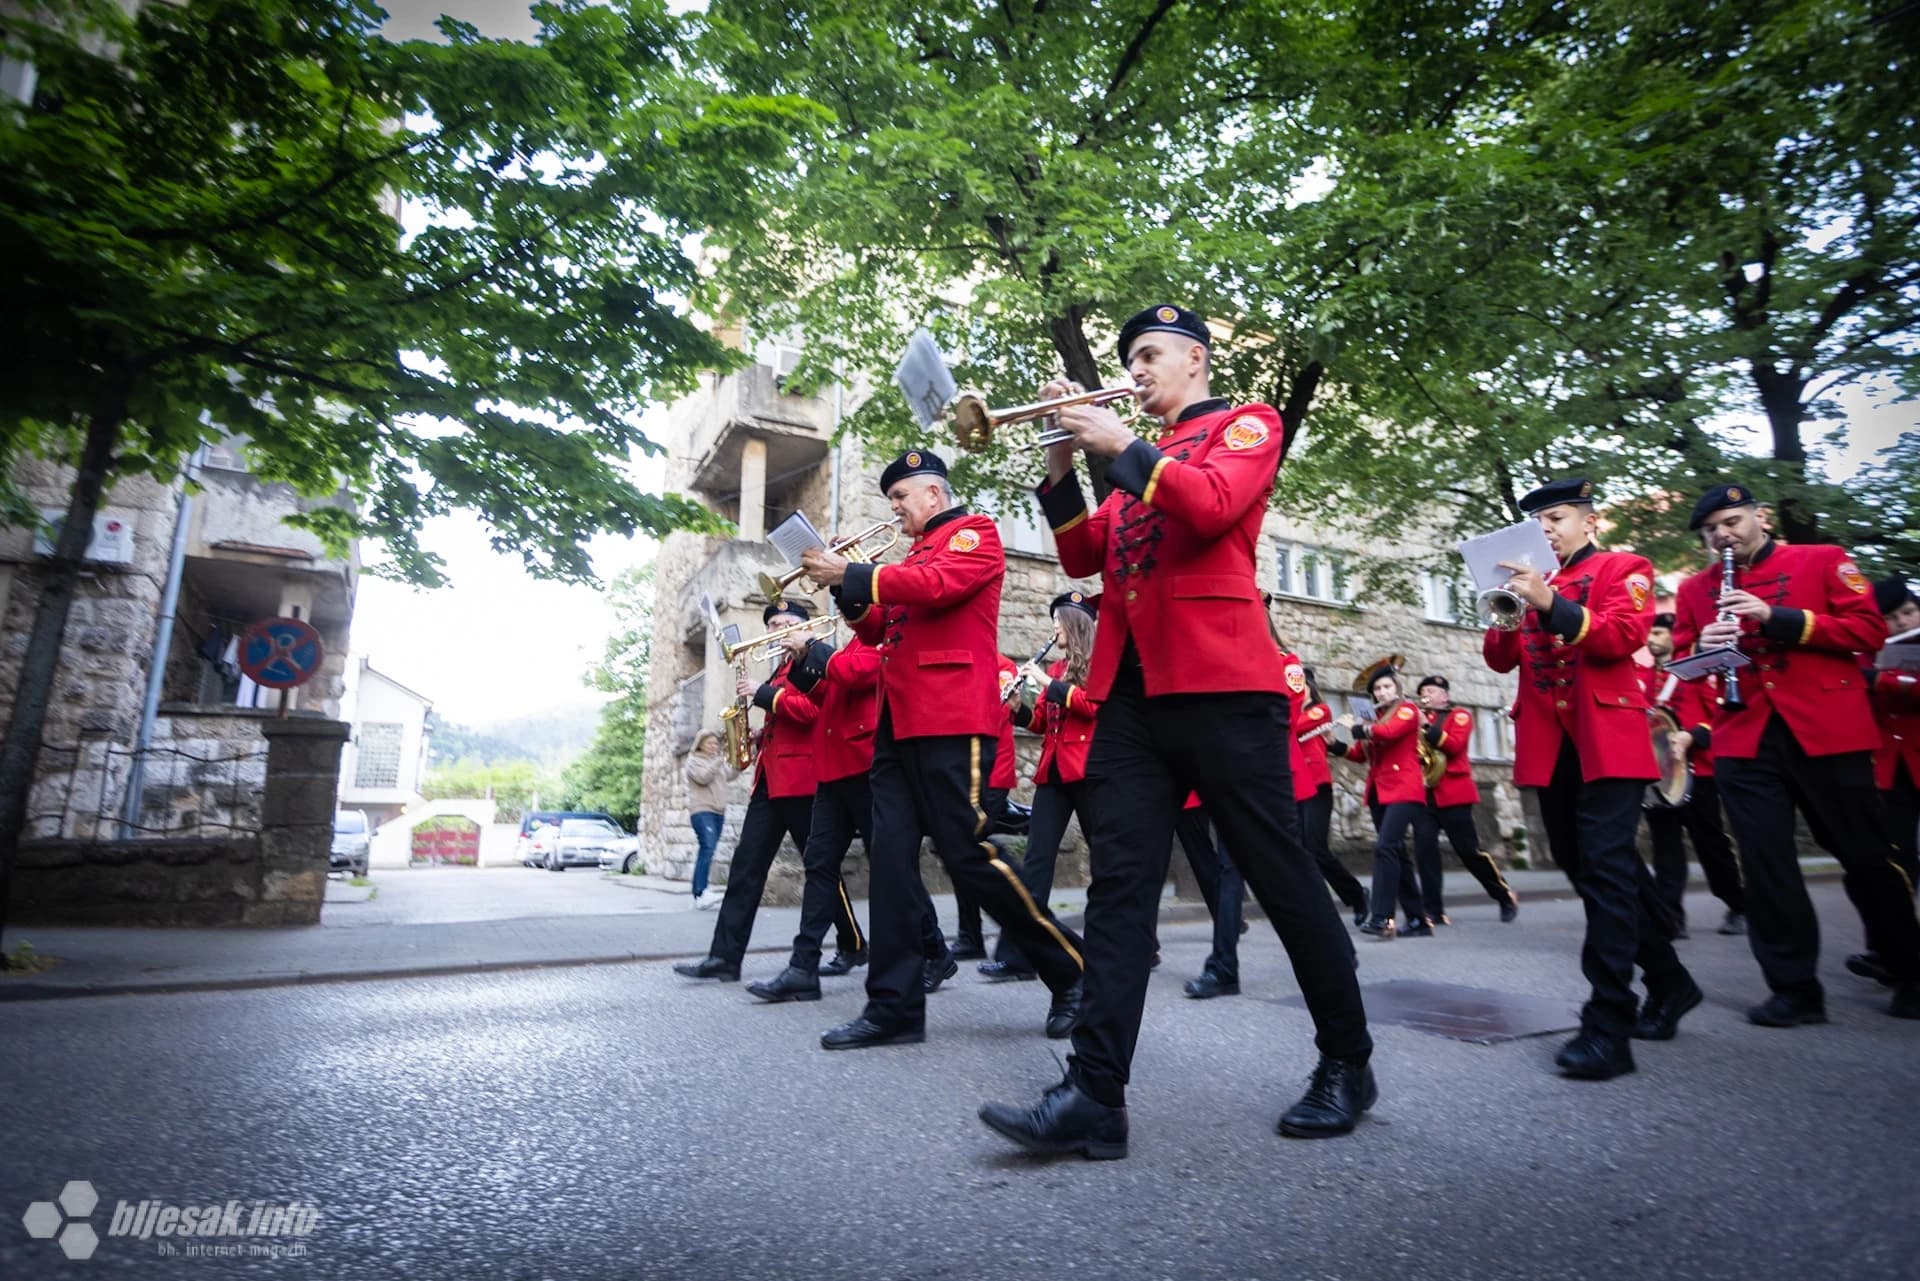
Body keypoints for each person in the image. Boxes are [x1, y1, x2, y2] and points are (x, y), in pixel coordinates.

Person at [980, 303, 1376, 1159]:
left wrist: (1118, 442)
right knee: (1120, 888)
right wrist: (1060, 462)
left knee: (1282, 876)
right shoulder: (1139, 461)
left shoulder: (1245, 425)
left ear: (1196, 359)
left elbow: (1210, 504)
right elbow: (1084, 557)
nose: (1137, 367)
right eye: (1130, 357)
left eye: (1151, 353)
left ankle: (1348, 1059)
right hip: (1131, 693)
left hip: (1225, 684)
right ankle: (1095, 1093)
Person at [801, 449, 1087, 1050]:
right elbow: (880, 627)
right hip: (898, 723)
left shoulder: (972, 533)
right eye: (891, 500)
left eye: (900, 497)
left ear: (933, 493)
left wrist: (853, 572)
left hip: (952, 719)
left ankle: (1071, 971)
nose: (895, 510)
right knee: (891, 863)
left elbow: (936, 587)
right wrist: (846, 590)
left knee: (967, 855)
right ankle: (894, 1008)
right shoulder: (913, 553)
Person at [1673, 485, 1918, 1022]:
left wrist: (1776, 616)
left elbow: (1867, 630)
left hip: (1827, 729)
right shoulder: (1694, 589)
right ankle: (1794, 988)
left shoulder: (1822, 560)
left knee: (1866, 854)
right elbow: (1684, 663)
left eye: (1732, 522)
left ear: (1759, 517)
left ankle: (1909, 968)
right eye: (1711, 530)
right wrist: (1704, 649)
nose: (1722, 535)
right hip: (1745, 736)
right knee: (1766, 863)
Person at [1485, 476, 1700, 1079]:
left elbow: (1622, 635)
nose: (1547, 530)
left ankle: (1608, 1022)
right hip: (1551, 743)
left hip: (1607, 739)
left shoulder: (1623, 568)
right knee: (1592, 870)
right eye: (1538, 523)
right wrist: (1507, 608)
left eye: (1556, 518)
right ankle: (1670, 981)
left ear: (1589, 521)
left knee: (1606, 871)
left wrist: (1550, 603)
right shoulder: (1530, 581)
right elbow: (1499, 659)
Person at [674, 601, 855, 982]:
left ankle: (852, 942)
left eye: (787, 622)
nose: (778, 629)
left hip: (802, 780)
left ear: (806, 628)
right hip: (770, 779)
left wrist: (762, 693)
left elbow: (811, 711)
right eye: (773, 624)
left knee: (820, 868)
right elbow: (786, 717)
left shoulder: (815, 660)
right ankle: (724, 958)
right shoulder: (781, 666)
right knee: (745, 869)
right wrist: (760, 733)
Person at [743, 630, 881, 1002]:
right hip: (832, 768)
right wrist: (804, 661)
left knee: (889, 865)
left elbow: (852, 676)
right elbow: (827, 695)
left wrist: (811, 650)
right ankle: (803, 968)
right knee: (819, 866)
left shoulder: (879, 637)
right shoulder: (852, 642)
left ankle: (933, 948)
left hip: (865, 764)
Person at [982, 592, 1102, 982]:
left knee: (1107, 862)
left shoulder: (1100, 663)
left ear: (1075, 625)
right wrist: (1018, 707)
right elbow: (1043, 724)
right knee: (1036, 862)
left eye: (1058, 622)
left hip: (1088, 772)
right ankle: (1018, 955)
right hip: (1053, 773)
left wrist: (1047, 684)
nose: (1053, 629)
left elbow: (1093, 707)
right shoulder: (1056, 667)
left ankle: (1133, 942)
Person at [1640, 614, 1745, 936]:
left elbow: (1721, 716)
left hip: (1697, 770)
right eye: (1650, 633)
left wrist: (1692, 736)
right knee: (1665, 847)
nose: (1651, 639)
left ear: (1674, 636)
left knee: (1710, 843)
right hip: (1659, 776)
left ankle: (1739, 905)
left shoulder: (1696, 672)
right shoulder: (1642, 676)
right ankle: (1671, 917)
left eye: (1659, 633)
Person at [1410, 674, 1519, 924]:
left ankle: (1503, 895)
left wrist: (1424, 726)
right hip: (1426, 793)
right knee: (1425, 852)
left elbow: (1454, 746)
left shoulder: (1459, 715)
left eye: (1430, 691)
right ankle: (1434, 911)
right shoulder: (1420, 719)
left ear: (1444, 695)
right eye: (1422, 692)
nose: (1425, 696)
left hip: (1454, 793)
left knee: (1468, 851)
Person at [1341, 662, 1433, 940]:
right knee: (1397, 854)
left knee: (1385, 848)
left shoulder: (1407, 710)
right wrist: (1331, 743)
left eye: (1386, 687)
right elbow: (1360, 754)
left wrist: (1360, 728)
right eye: (1377, 689)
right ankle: (1417, 919)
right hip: (1379, 791)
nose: (1382, 692)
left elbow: (1389, 732)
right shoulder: (1373, 717)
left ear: (1396, 687)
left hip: (1404, 789)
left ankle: (1382, 917)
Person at [1293, 665, 1370, 923]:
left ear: (1310, 688)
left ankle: (1356, 894)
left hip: (1316, 786)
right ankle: (1314, 908)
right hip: (1293, 787)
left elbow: (1295, 727)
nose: (1296, 691)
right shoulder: (1286, 714)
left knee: (1315, 848)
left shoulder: (1321, 710)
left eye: (1300, 686)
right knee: (1298, 850)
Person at [682, 731, 731, 908]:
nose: (714, 747)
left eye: (716, 744)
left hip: (719, 811)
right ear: (700, 744)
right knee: (707, 847)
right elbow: (703, 777)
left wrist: (740, 764)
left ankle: (701, 894)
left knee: (708, 850)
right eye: (710, 743)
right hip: (702, 810)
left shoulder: (717, 761)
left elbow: (730, 775)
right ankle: (700, 892)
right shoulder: (693, 761)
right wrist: (719, 761)